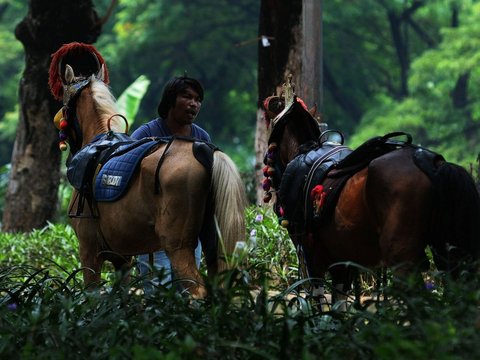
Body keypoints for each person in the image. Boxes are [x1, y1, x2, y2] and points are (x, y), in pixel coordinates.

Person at [131, 76, 211, 292]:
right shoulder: (146, 134)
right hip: (153, 234)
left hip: (189, 233)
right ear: (170, 101)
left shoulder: (202, 138)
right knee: (158, 291)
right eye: (187, 96)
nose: (194, 103)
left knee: (188, 289)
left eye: (197, 99)